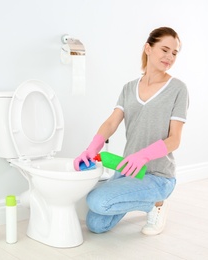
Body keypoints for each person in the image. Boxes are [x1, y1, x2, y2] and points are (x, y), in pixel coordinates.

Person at [74, 27, 189, 235]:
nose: (170, 57)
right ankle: (140, 198)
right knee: (96, 224)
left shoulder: (177, 88)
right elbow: (111, 123)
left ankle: (157, 204)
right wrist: (91, 149)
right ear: (148, 48)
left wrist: (144, 156)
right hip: (128, 170)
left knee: (97, 200)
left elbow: (175, 140)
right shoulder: (129, 88)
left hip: (158, 175)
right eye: (164, 49)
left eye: (174, 53)